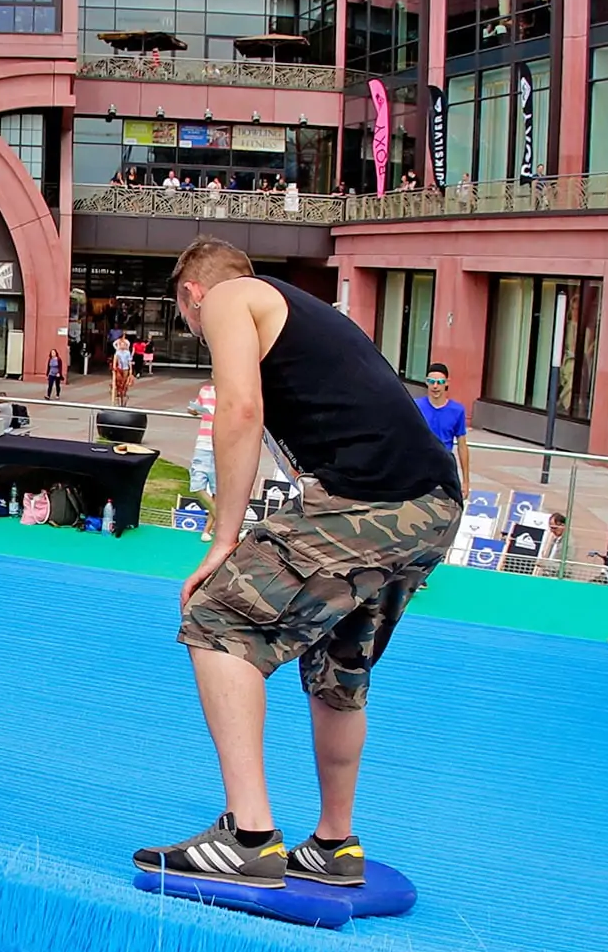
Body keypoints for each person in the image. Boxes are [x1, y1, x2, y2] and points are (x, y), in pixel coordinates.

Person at [133, 237, 461, 890]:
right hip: (432, 504)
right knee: (338, 667)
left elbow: (240, 410)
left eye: (188, 321)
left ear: (191, 295)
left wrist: (224, 541)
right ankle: (334, 845)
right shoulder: (303, 315)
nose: (199, 332)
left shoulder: (228, 297)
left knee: (218, 616)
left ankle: (248, 836)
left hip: (374, 501)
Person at [416, 363, 472, 494]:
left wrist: (466, 481)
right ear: (426, 382)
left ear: (447, 383)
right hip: (419, 466)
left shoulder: (457, 410)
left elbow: (462, 446)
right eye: (431, 382)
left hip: (444, 467)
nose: (435, 386)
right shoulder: (416, 406)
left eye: (440, 382)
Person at [186, 379, 219, 518]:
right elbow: (194, 408)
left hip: (221, 446)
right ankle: (219, 515)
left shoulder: (232, 393)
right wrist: (193, 410)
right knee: (197, 485)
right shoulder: (205, 391)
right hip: (203, 444)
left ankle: (214, 526)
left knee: (218, 491)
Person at [111, 333, 134, 406]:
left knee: (124, 380)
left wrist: (131, 369)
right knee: (118, 380)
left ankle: (123, 391)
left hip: (125, 368)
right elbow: (115, 360)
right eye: (121, 345)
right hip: (119, 368)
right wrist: (114, 367)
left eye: (124, 345)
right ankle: (118, 391)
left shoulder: (127, 352)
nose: (122, 346)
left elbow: (129, 361)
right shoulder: (117, 352)